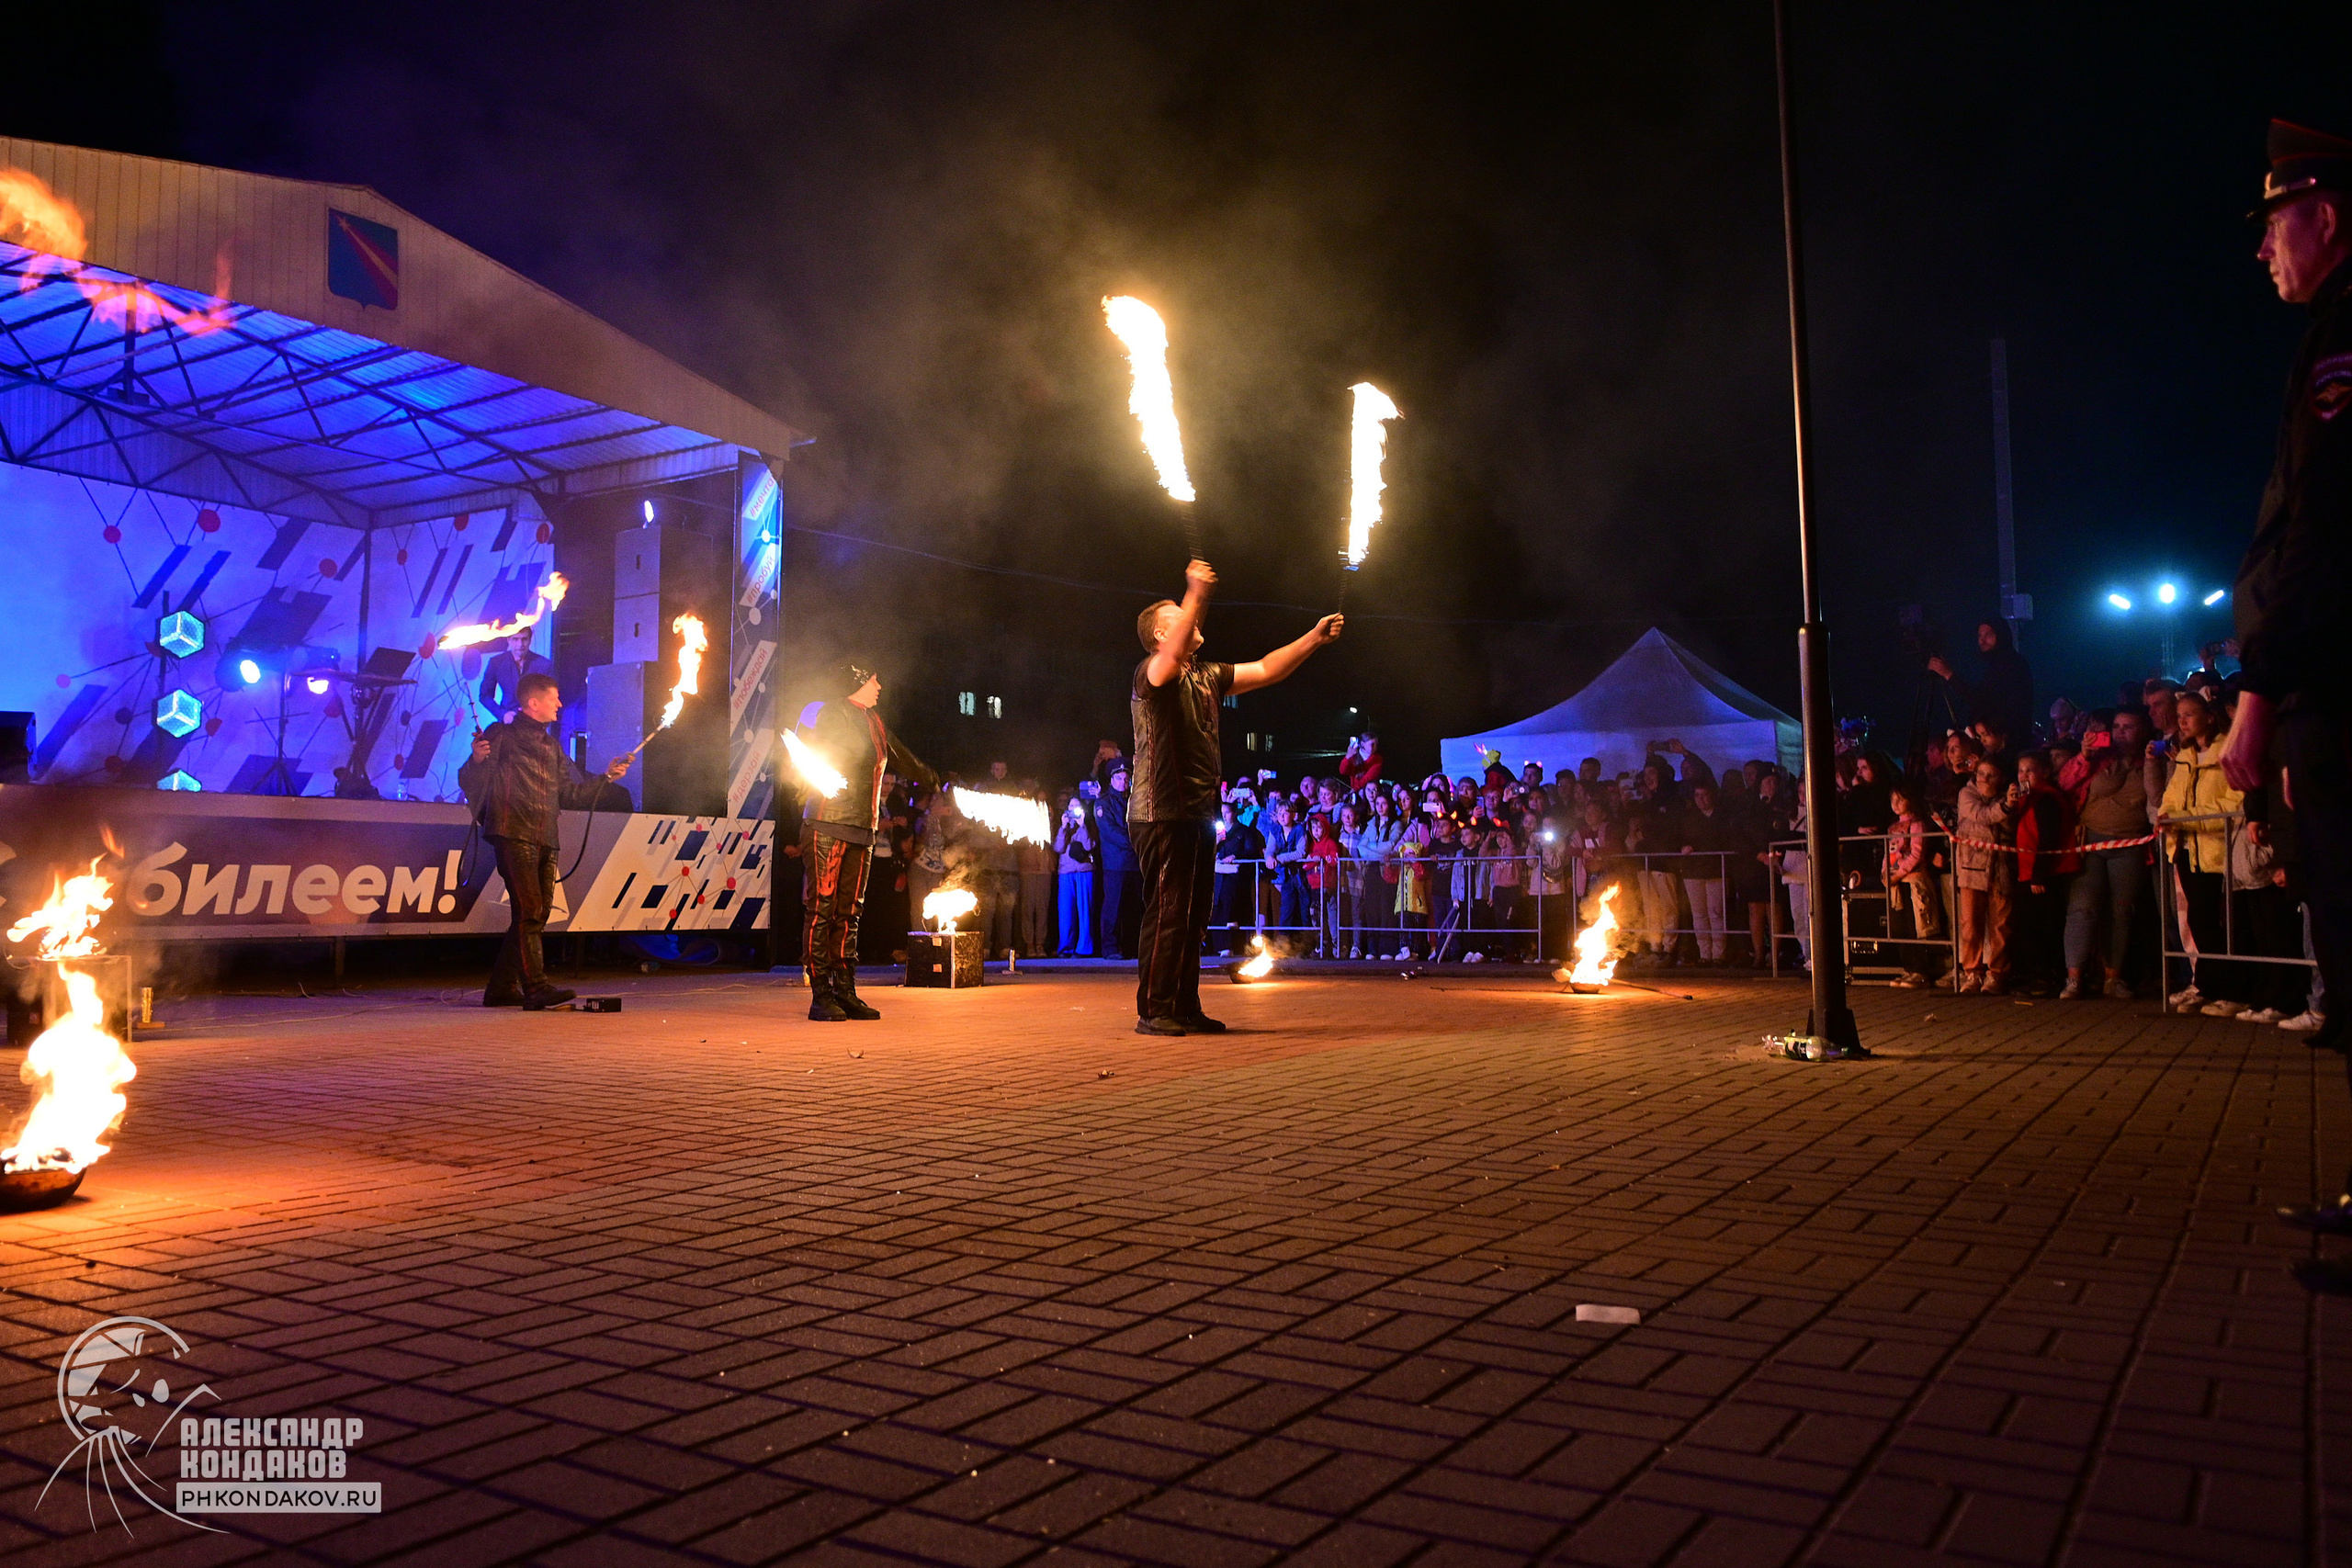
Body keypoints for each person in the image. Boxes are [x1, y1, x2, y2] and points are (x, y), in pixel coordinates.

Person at [1128, 560, 1342, 1034]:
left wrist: (1313, 638)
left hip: (1197, 812)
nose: (1192, 620)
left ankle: (1184, 1006)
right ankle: (1155, 1010)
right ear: (1162, 635)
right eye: (1180, 618)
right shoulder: (1152, 672)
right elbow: (1171, 655)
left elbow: (1266, 668)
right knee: (1169, 911)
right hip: (1161, 811)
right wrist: (1195, 592)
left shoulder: (1206, 674)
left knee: (1193, 914)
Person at [458, 673, 631, 1009]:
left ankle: (501, 989)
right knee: (530, 910)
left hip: (546, 836)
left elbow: (569, 794)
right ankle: (535, 988)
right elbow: (468, 780)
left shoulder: (552, 747)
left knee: (535, 913)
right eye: (554, 698)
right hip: (513, 831)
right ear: (533, 703)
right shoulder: (501, 734)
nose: (560, 704)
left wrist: (607, 778)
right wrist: (476, 760)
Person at [795, 660, 936, 1021]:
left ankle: (846, 992)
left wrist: (931, 778)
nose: (879, 686)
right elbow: (815, 752)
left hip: (863, 828)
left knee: (850, 913)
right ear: (857, 681)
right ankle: (821, 995)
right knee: (821, 910)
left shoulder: (874, 721)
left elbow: (901, 756)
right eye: (874, 680)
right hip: (828, 823)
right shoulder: (831, 713)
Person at [2065, 714, 2154, 999]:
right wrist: (2084, 756)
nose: (2120, 732)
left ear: (2142, 730)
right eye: (2116, 726)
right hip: (2092, 841)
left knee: (2121, 912)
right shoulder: (2099, 758)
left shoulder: (2151, 757)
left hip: (2130, 844)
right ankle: (2074, 979)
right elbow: (2064, 782)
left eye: (2129, 727)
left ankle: (2113, 979)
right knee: (2082, 908)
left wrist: (2154, 761)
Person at [2011, 752, 2080, 997]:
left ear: (2045, 773)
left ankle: (2046, 977)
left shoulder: (2046, 798)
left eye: (2029, 770)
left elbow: (2048, 838)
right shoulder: (2027, 798)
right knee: (2030, 926)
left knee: (2042, 927)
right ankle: (2036, 975)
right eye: (2020, 770)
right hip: (2029, 870)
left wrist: (2039, 875)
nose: (2023, 776)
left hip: (2045, 873)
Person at [1954, 755, 2017, 994]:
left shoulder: (2006, 798)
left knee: (2001, 925)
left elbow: (2010, 827)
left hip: (2000, 867)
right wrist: (2004, 809)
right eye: (1981, 774)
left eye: (1991, 776)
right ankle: (1972, 973)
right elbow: (1981, 816)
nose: (1984, 780)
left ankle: (1997, 974)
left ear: (2001, 778)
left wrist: (2009, 806)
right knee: (1971, 924)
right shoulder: (1966, 794)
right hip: (1971, 867)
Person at [1928, 620, 2035, 748]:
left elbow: (1984, 700)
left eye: (1988, 635)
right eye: (1980, 636)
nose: (1982, 641)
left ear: (2001, 635)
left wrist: (1949, 675)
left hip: (2008, 742)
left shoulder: (2011, 664)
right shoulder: (1993, 665)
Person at [1095, 764, 1137, 959]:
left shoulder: (1133, 801)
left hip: (1134, 862)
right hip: (1115, 864)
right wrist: (1137, 842)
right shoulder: (1103, 803)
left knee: (1132, 907)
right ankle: (1110, 948)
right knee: (1113, 907)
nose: (1123, 782)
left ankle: (1131, 947)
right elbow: (1111, 832)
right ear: (1111, 780)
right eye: (1119, 778)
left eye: (1126, 779)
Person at [1053, 794, 1097, 956]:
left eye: (1076, 806)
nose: (1073, 809)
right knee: (1065, 911)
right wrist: (1063, 827)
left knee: (1085, 911)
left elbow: (1089, 845)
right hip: (1066, 871)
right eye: (1071, 806)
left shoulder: (1089, 823)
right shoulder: (1064, 825)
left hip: (1084, 870)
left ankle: (1085, 948)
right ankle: (1066, 947)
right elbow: (1058, 848)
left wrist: (1082, 825)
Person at [477, 628, 552, 722]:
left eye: (524, 639)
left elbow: (550, 698)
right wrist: (503, 714)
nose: (520, 644)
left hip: (534, 723)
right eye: (515, 639)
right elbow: (485, 695)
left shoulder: (544, 664)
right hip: (507, 723)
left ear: (530, 640)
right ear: (508, 640)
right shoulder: (496, 662)